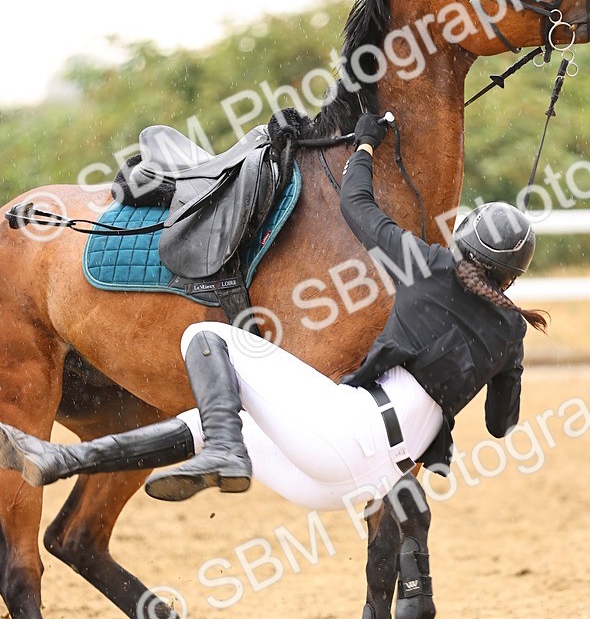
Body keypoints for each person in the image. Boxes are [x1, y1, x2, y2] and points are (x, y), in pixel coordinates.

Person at [0, 115, 547, 512]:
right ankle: (59, 462)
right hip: (363, 483)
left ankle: (222, 452)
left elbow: (357, 207)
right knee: (204, 418)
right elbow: (502, 426)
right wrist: (496, 367)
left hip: (338, 447)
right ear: (513, 276)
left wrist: (363, 147)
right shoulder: (514, 328)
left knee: (209, 338)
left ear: (464, 242)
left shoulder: (426, 265)